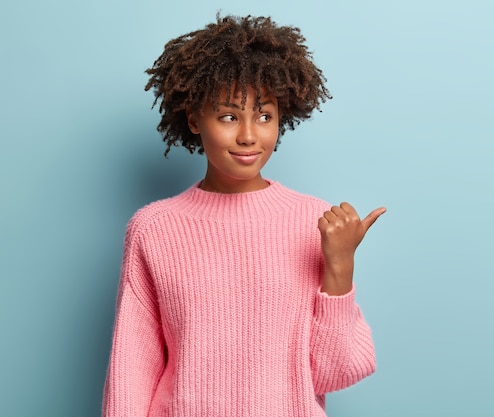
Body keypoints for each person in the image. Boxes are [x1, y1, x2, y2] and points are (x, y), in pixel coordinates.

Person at [102, 14, 386, 417]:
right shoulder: (154, 228)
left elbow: (336, 374)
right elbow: (131, 372)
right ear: (194, 120)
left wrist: (340, 267)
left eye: (265, 115)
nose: (249, 135)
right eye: (229, 116)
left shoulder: (316, 222)